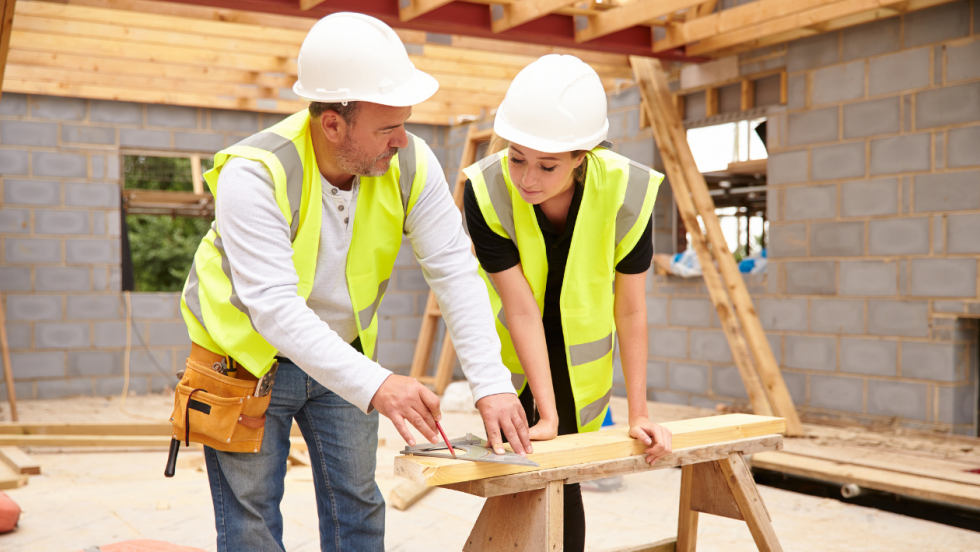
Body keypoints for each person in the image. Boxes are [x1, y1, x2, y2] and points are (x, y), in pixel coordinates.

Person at [179, 13, 530, 552]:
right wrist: (378, 385)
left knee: (359, 506)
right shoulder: (254, 173)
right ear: (333, 125)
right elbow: (274, 308)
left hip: (341, 354)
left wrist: (491, 382)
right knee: (250, 521)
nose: (402, 139)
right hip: (243, 361)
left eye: (405, 122)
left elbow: (456, 270)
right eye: (387, 128)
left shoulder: (410, 162)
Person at [462, 55, 674, 551]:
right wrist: (547, 415)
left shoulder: (628, 191)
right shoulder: (486, 191)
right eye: (516, 157)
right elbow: (519, 308)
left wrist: (638, 413)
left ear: (583, 155)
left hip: (585, 369)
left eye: (547, 165)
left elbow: (631, 309)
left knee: (566, 482)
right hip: (516, 359)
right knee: (521, 480)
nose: (526, 178)